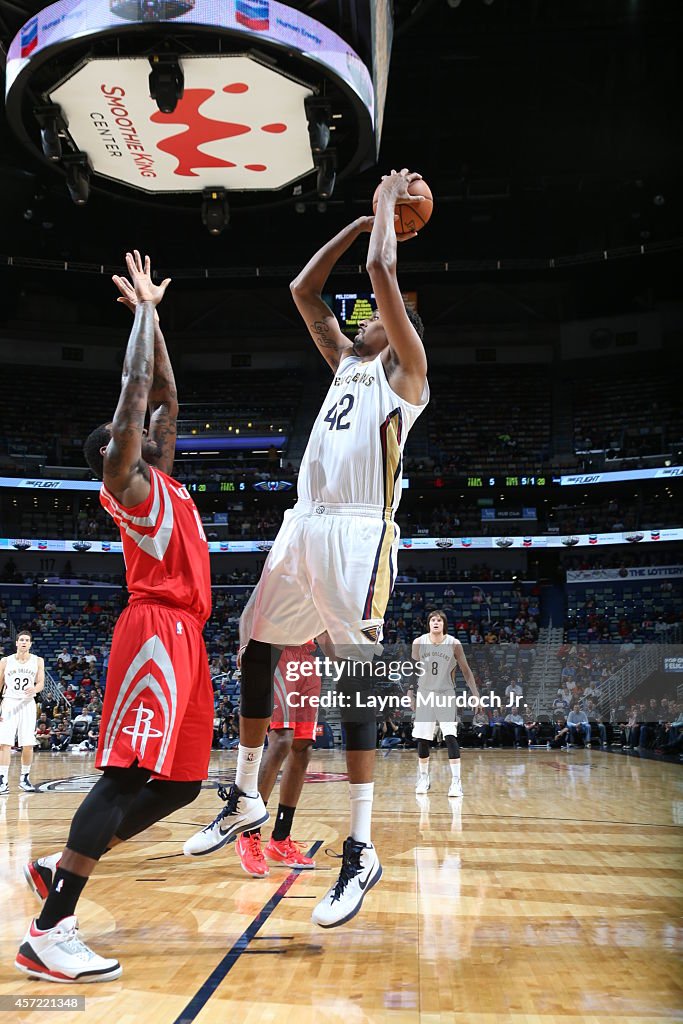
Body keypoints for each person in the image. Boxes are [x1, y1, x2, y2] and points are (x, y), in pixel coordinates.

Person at [183, 169, 430, 929]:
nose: (364, 317)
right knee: (255, 642)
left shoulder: (407, 378)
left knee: (353, 682)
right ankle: (245, 795)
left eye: (380, 317)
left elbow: (385, 275)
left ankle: (361, 847)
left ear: (400, 332)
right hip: (303, 521)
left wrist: (389, 209)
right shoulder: (346, 366)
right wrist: (359, 225)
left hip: (359, 532)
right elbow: (302, 289)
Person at [16, 251, 214, 983]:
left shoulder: (163, 474)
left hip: (188, 637)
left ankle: (58, 862)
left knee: (184, 782)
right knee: (126, 776)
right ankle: (49, 931)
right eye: (129, 431)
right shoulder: (124, 484)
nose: (147, 429)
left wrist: (152, 315)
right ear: (116, 453)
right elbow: (136, 390)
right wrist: (140, 318)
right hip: (155, 630)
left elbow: (162, 386)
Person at [234, 636, 324, 877]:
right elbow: (250, 610)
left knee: (303, 748)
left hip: (307, 659)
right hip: (279, 652)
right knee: (281, 739)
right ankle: (248, 832)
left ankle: (281, 839)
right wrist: (245, 646)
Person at [410, 611, 479, 797]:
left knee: (450, 736)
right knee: (423, 739)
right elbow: (412, 670)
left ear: (444, 624)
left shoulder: (453, 643)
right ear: (428, 624)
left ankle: (456, 782)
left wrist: (476, 695)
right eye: (432, 620)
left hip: (445, 694)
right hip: (424, 693)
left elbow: (466, 670)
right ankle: (423, 778)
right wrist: (410, 693)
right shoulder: (419, 642)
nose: (435, 622)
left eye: (439, 620)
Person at [0, 630, 45, 793]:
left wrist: (35, 688)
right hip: (9, 703)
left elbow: (41, 683)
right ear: (17, 643)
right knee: (4, 743)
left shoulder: (38, 661)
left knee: (28, 743)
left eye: (27, 640)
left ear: (30, 644)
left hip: (27, 704)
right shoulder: (5, 661)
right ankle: (2, 780)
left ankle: (24, 779)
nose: (24, 642)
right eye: (22, 640)